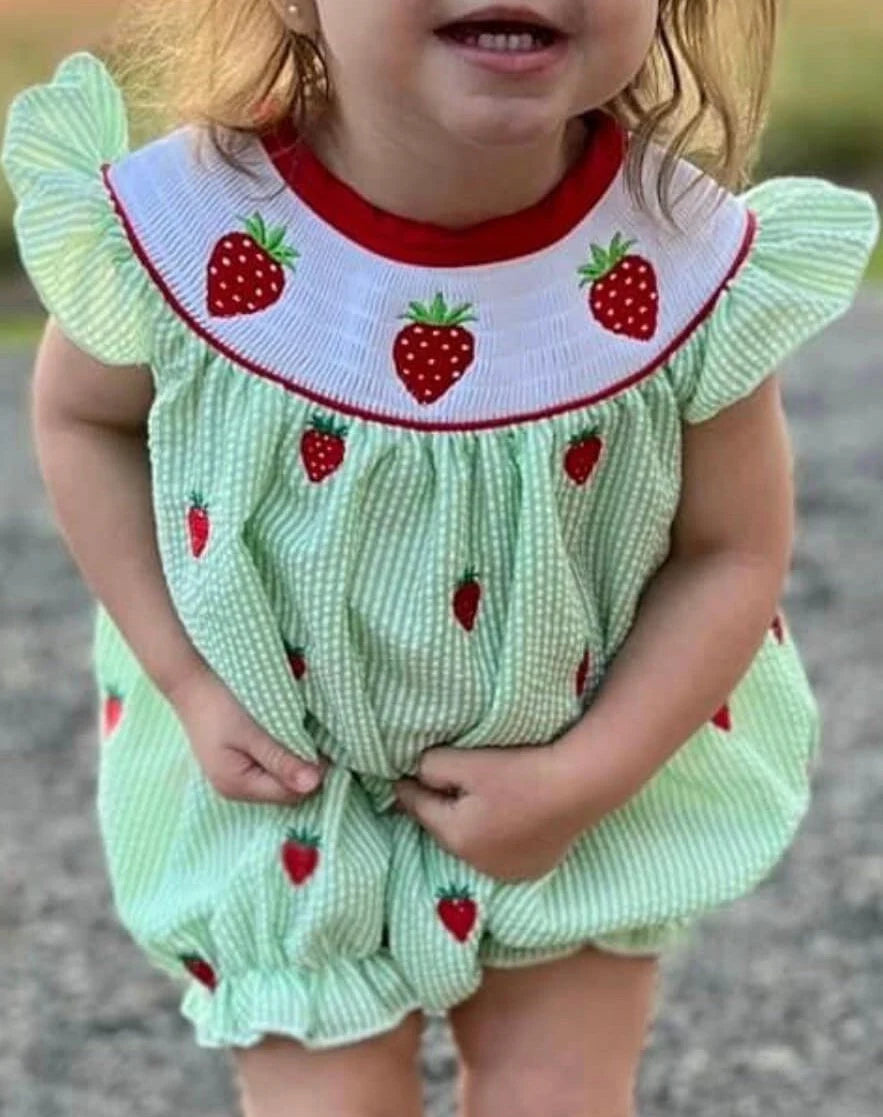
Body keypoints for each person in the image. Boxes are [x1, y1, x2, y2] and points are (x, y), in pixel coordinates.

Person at [2, 0, 878, 1114]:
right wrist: (182, 674)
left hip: (572, 772)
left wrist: (585, 777)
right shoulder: (189, 230)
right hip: (283, 798)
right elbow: (84, 421)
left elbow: (730, 553)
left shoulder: (680, 260)